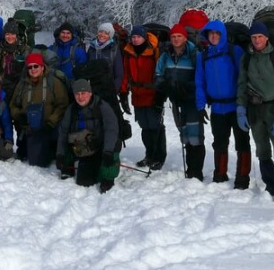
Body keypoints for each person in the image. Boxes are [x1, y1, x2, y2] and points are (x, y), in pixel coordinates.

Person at [237, 21, 274, 203]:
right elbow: (241, 86)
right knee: (262, 150)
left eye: (260, 37)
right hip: (254, 111)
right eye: (253, 37)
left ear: (266, 38)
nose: (256, 40)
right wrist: (241, 109)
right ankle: (271, 186)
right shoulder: (246, 59)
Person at [196, 21, 251, 187]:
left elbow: (244, 78)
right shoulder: (203, 56)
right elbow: (200, 81)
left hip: (236, 106)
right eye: (210, 33)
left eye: (217, 33)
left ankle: (242, 177)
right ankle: (220, 174)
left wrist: (245, 104)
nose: (213, 36)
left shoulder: (235, 51)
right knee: (219, 142)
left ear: (222, 34)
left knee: (242, 141)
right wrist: (200, 105)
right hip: (217, 108)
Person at [155, 23, 204, 180]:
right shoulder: (166, 55)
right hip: (176, 99)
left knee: (195, 135)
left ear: (184, 37)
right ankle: (190, 168)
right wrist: (164, 85)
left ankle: (196, 171)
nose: (176, 39)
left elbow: (201, 76)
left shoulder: (194, 54)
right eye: (173, 37)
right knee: (184, 134)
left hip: (191, 100)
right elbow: (158, 73)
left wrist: (187, 87)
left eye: (179, 36)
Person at [57, 79, 119, 192]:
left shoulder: (102, 106)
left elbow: (112, 129)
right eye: (77, 94)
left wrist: (108, 150)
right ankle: (67, 169)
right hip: (82, 147)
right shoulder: (71, 109)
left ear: (90, 93)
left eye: (83, 93)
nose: (80, 97)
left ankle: (108, 177)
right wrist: (60, 154)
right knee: (84, 182)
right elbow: (63, 131)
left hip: (101, 147)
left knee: (113, 147)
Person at [10, 53, 70, 167]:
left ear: (42, 66)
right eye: (30, 67)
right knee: (36, 162)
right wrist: (19, 115)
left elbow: (63, 104)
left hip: (50, 127)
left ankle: (53, 148)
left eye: (36, 66)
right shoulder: (22, 84)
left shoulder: (53, 82)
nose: (33, 69)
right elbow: (13, 105)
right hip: (31, 128)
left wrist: (51, 121)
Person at [121, 26, 165, 170]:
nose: (135, 39)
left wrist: (160, 94)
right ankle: (149, 155)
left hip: (152, 94)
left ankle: (159, 156)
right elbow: (126, 74)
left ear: (144, 37)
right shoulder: (129, 52)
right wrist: (123, 94)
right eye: (133, 37)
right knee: (145, 127)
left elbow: (161, 72)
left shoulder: (154, 51)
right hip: (137, 95)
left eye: (138, 37)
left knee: (155, 126)